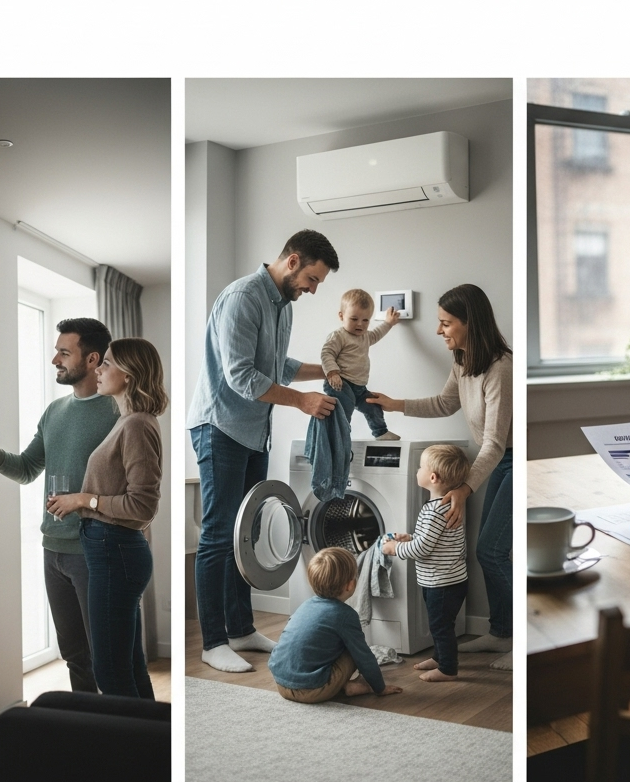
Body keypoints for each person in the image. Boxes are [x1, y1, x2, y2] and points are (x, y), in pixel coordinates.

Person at [186, 229, 340, 674]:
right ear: (292, 261)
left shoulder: (282, 306)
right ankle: (212, 642)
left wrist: (329, 373)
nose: (313, 289)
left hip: (253, 432)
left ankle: (240, 629)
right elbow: (241, 378)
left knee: (244, 534)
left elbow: (277, 368)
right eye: (312, 279)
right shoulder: (242, 298)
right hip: (220, 427)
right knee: (218, 535)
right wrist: (304, 401)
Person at [0, 318, 116, 693]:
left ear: (92, 360)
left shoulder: (117, 413)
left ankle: (125, 736)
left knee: (107, 655)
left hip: (95, 551)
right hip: (53, 550)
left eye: (63, 352)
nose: (54, 360)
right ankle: (88, 732)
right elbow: (27, 469)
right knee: (74, 653)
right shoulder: (54, 412)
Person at [367, 284, 513, 670]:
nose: (439, 331)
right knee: (490, 551)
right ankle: (502, 634)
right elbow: (445, 403)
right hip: (495, 462)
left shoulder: (501, 369)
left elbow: (496, 442)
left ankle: (514, 638)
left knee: (492, 551)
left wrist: (465, 488)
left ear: (471, 324)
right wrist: (394, 405)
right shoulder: (463, 362)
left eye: (446, 323)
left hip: (512, 459)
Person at [48, 338, 167, 699]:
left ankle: (127, 751)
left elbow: (143, 506)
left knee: (110, 671)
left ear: (129, 375)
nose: (98, 369)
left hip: (115, 552)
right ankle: (150, 744)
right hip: (110, 551)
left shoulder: (135, 426)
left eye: (108, 363)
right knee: (127, 664)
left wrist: (84, 499)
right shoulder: (127, 422)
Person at [268, 547, 403, 703]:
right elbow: (364, 656)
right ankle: (357, 686)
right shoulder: (345, 615)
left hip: (282, 683)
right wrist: (380, 688)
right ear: (350, 585)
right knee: (354, 650)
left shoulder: (305, 605)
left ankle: (340, 685)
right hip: (311, 690)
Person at [382, 444, 470, 682]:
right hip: (448, 580)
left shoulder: (434, 511)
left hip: (442, 583)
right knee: (439, 624)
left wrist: (395, 548)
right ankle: (439, 658)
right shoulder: (441, 507)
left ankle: (448, 668)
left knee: (441, 627)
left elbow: (422, 549)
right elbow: (429, 541)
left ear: (432, 477)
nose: (417, 470)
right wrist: (408, 537)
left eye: (421, 467)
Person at [320, 289, 401, 440]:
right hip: (340, 383)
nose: (360, 324)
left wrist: (388, 323)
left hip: (359, 387)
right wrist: (332, 373)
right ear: (341, 316)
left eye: (365, 320)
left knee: (373, 405)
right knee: (345, 407)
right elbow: (327, 353)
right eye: (354, 319)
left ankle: (381, 432)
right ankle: (340, 436)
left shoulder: (365, 337)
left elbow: (377, 334)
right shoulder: (339, 336)